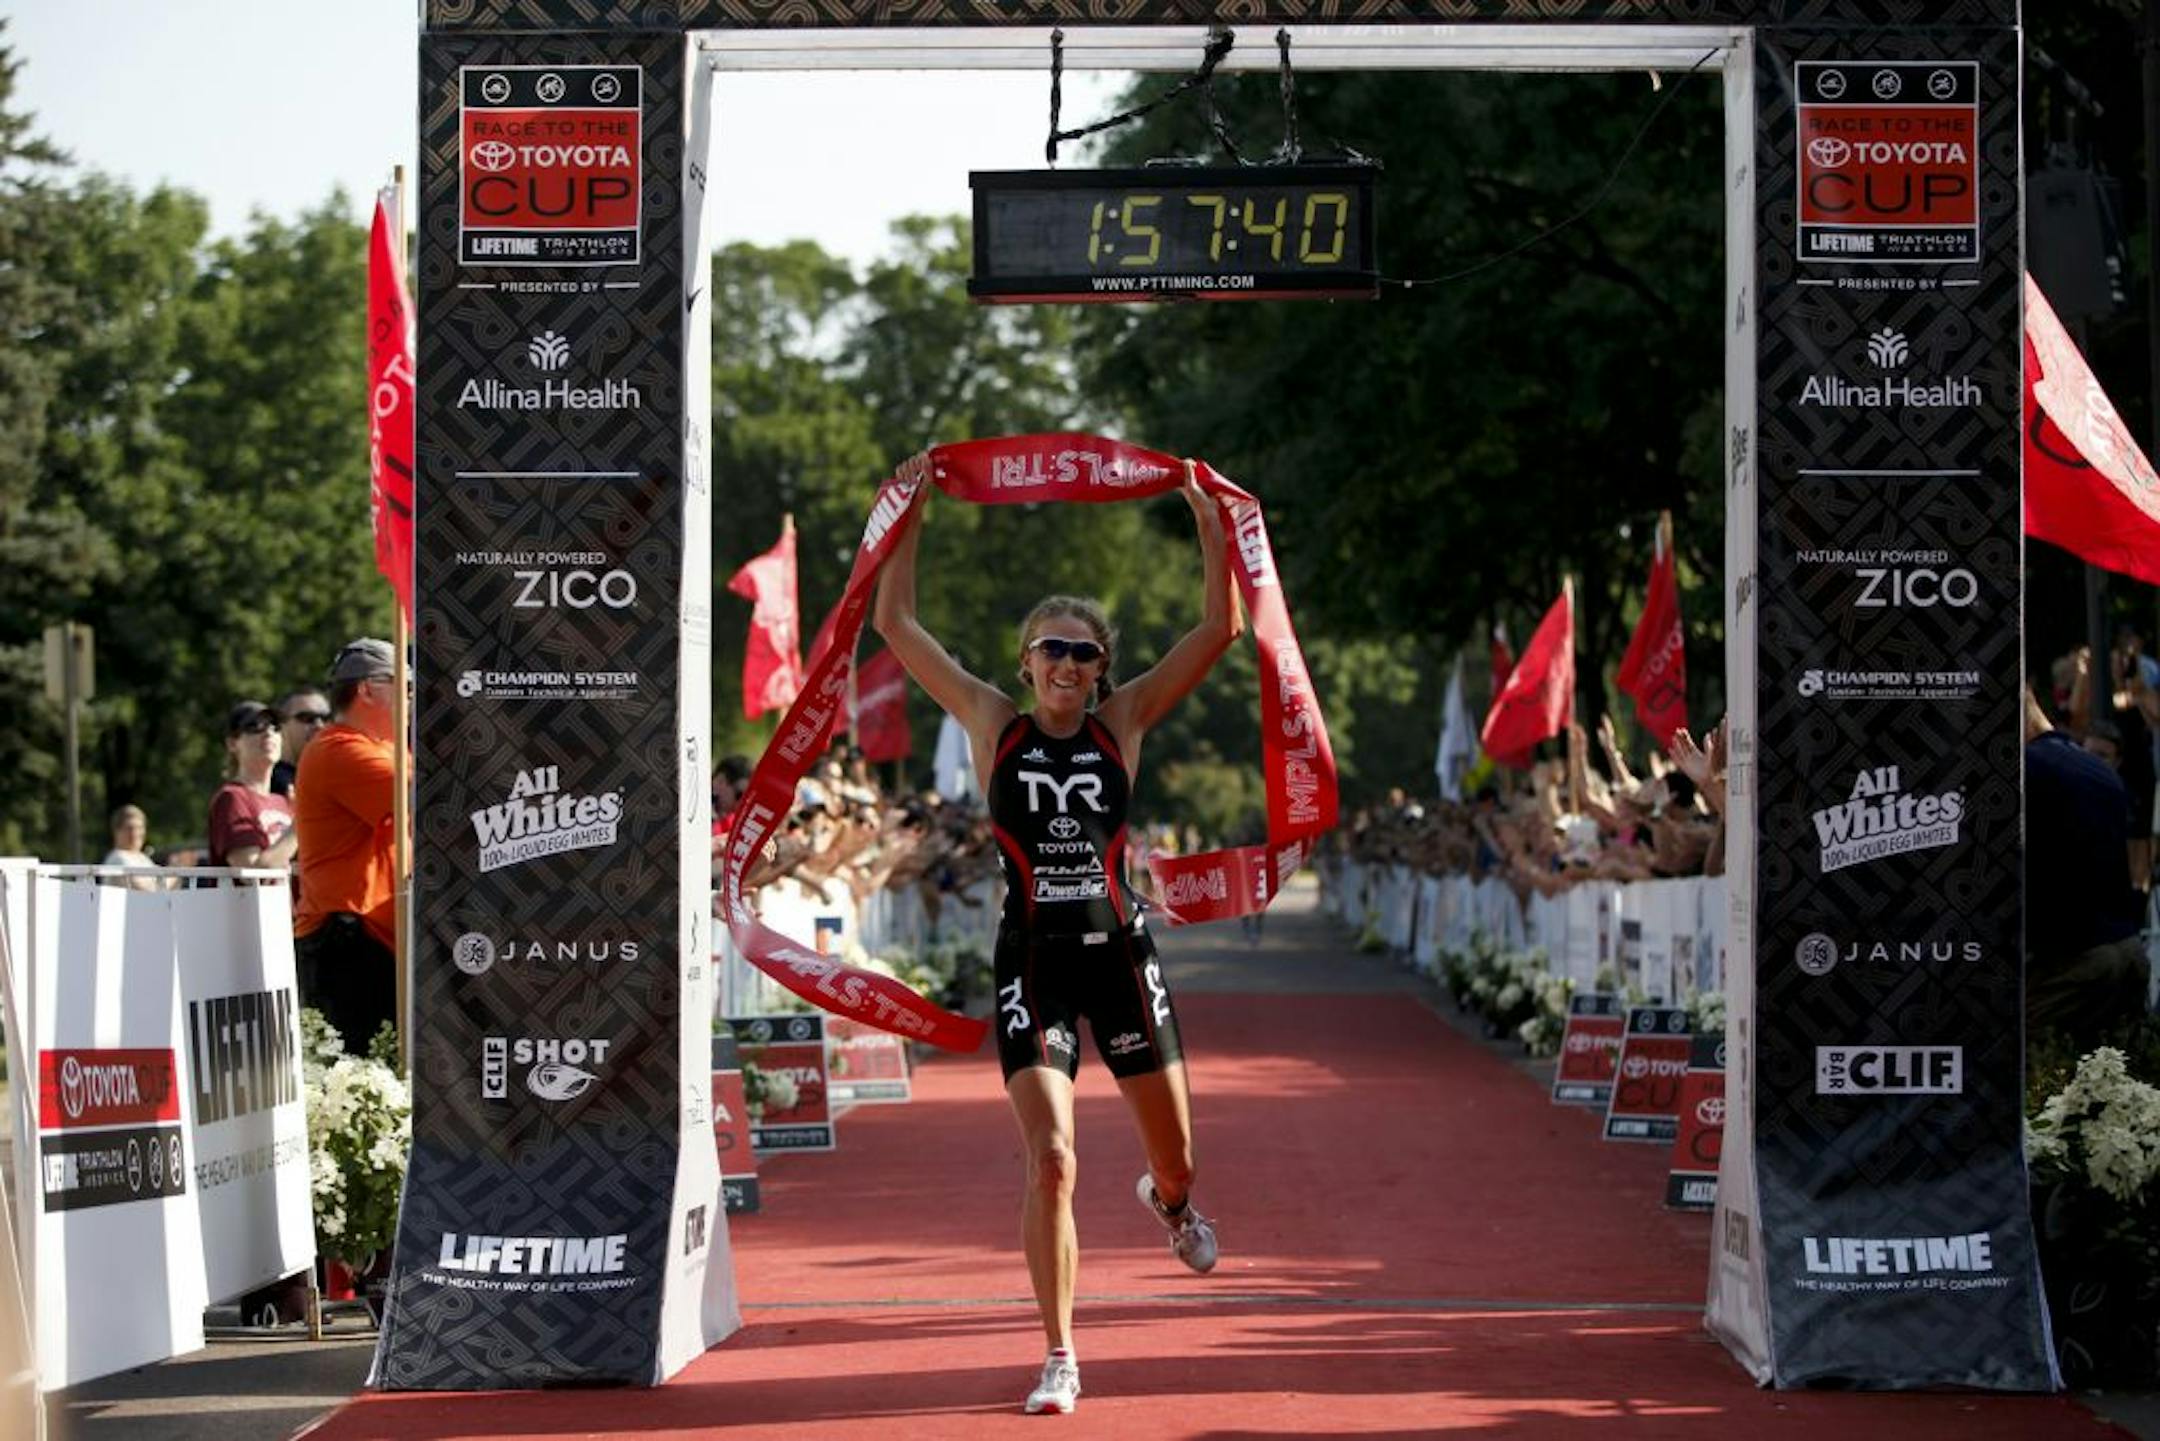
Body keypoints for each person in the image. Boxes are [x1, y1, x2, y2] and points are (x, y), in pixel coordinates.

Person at [872, 468, 1240, 1416]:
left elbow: (1218, 630)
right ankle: (1060, 1352)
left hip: (1121, 959)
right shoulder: (992, 721)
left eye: (1085, 652)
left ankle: (1170, 1204)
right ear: (1027, 662)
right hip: (1033, 961)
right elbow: (896, 625)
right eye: (1053, 650)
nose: (1069, 664)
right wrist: (909, 512)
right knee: (1053, 1159)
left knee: (1178, 1159)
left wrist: (1210, 524)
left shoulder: (1123, 722)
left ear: (1101, 668)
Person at [2025, 684, 2149, 1048]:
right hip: (2127, 950)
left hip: (2075, 962)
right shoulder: (2098, 769)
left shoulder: (2026, 769)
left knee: (2011, 1054)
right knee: (2111, 1072)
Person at [293, 639, 399, 1055]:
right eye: (405, 685)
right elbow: (432, 795)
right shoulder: (339, 749)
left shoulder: (382, 748)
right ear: (368, 689)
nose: (413, 697)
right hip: (347, 942)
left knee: (379, 1072)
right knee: (358, 1075)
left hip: (372, 939)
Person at [207, 702, 299, 872]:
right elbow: (253, 875)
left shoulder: (282, 801)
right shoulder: (231, 798)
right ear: (232, 744)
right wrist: (301, 823)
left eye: (275, 727)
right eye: (255, 727)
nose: (268, 733)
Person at [270, 688, 332, 798]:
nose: (319, 725)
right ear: (280, 724)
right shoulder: (267, 783)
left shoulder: (336, 779)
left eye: (325, 718)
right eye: (307, 718)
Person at [101, 804, 170, 891]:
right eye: (129, 828)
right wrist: (176, 871)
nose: (135, 833)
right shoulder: (117, 858)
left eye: (139, 828)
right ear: (117, 831)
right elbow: (148, 891)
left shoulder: (142, 858)